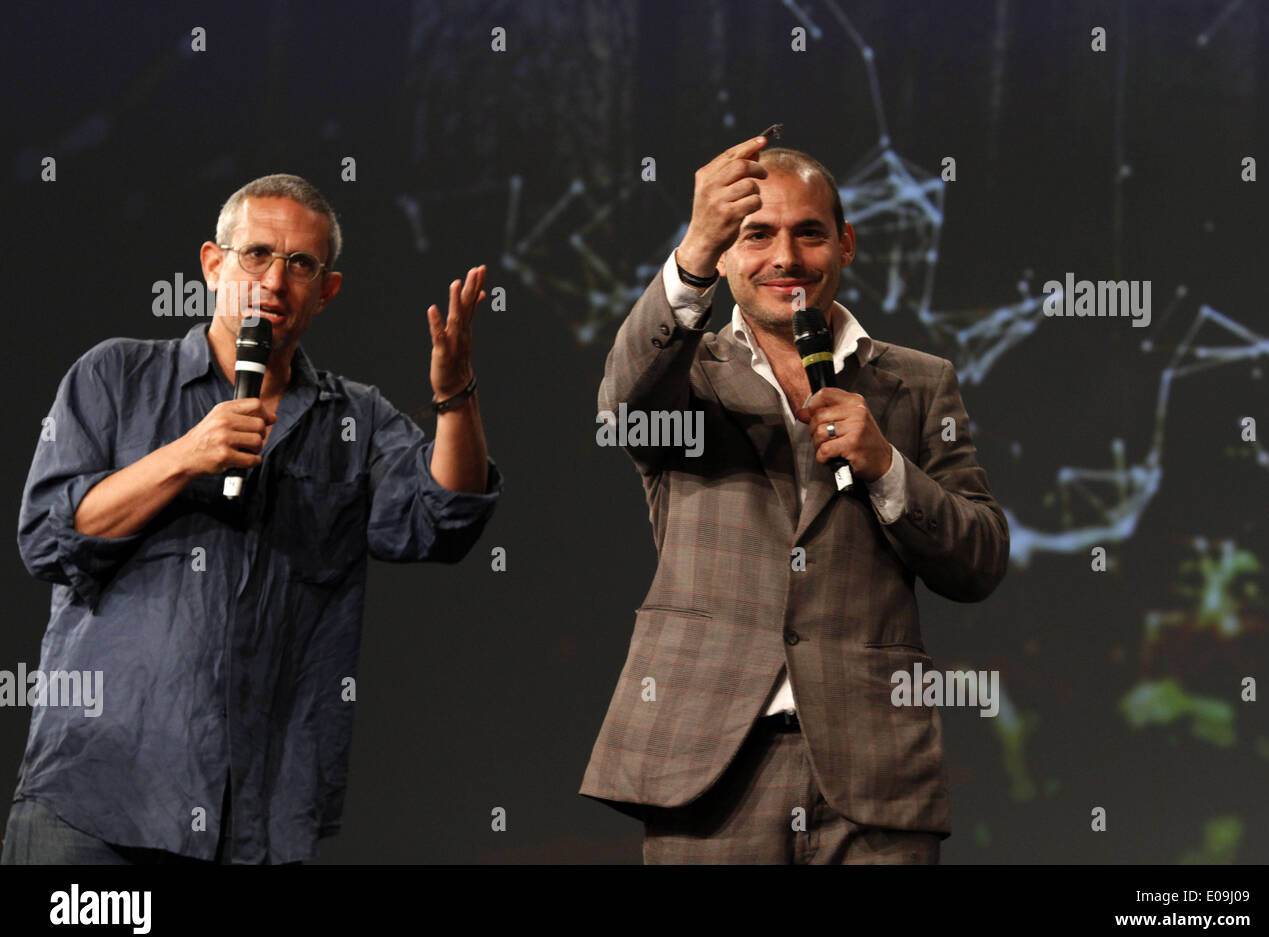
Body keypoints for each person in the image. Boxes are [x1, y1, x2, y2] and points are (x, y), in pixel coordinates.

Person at [3, 174, 502, 864]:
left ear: (326, 292)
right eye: (256, 254)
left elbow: (442, 520)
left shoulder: (353, 419)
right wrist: (184, 456)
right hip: (96, 801)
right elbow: (47, 536)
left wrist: (455, 398)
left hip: (258, 815)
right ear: (213, 264)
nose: (274, 281)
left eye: (301, 265)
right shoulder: (115, 377)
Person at [580, 137, 1009, 864]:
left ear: (844, 243)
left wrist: (888, 469)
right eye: (756, 234)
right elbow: (622, 413)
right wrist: (689, 254)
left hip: (872, 771)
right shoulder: (687, 376)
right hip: (707, 770)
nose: (786, 257)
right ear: (723, 254)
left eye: (808, 232)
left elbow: (979, 558)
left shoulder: (918, 382)